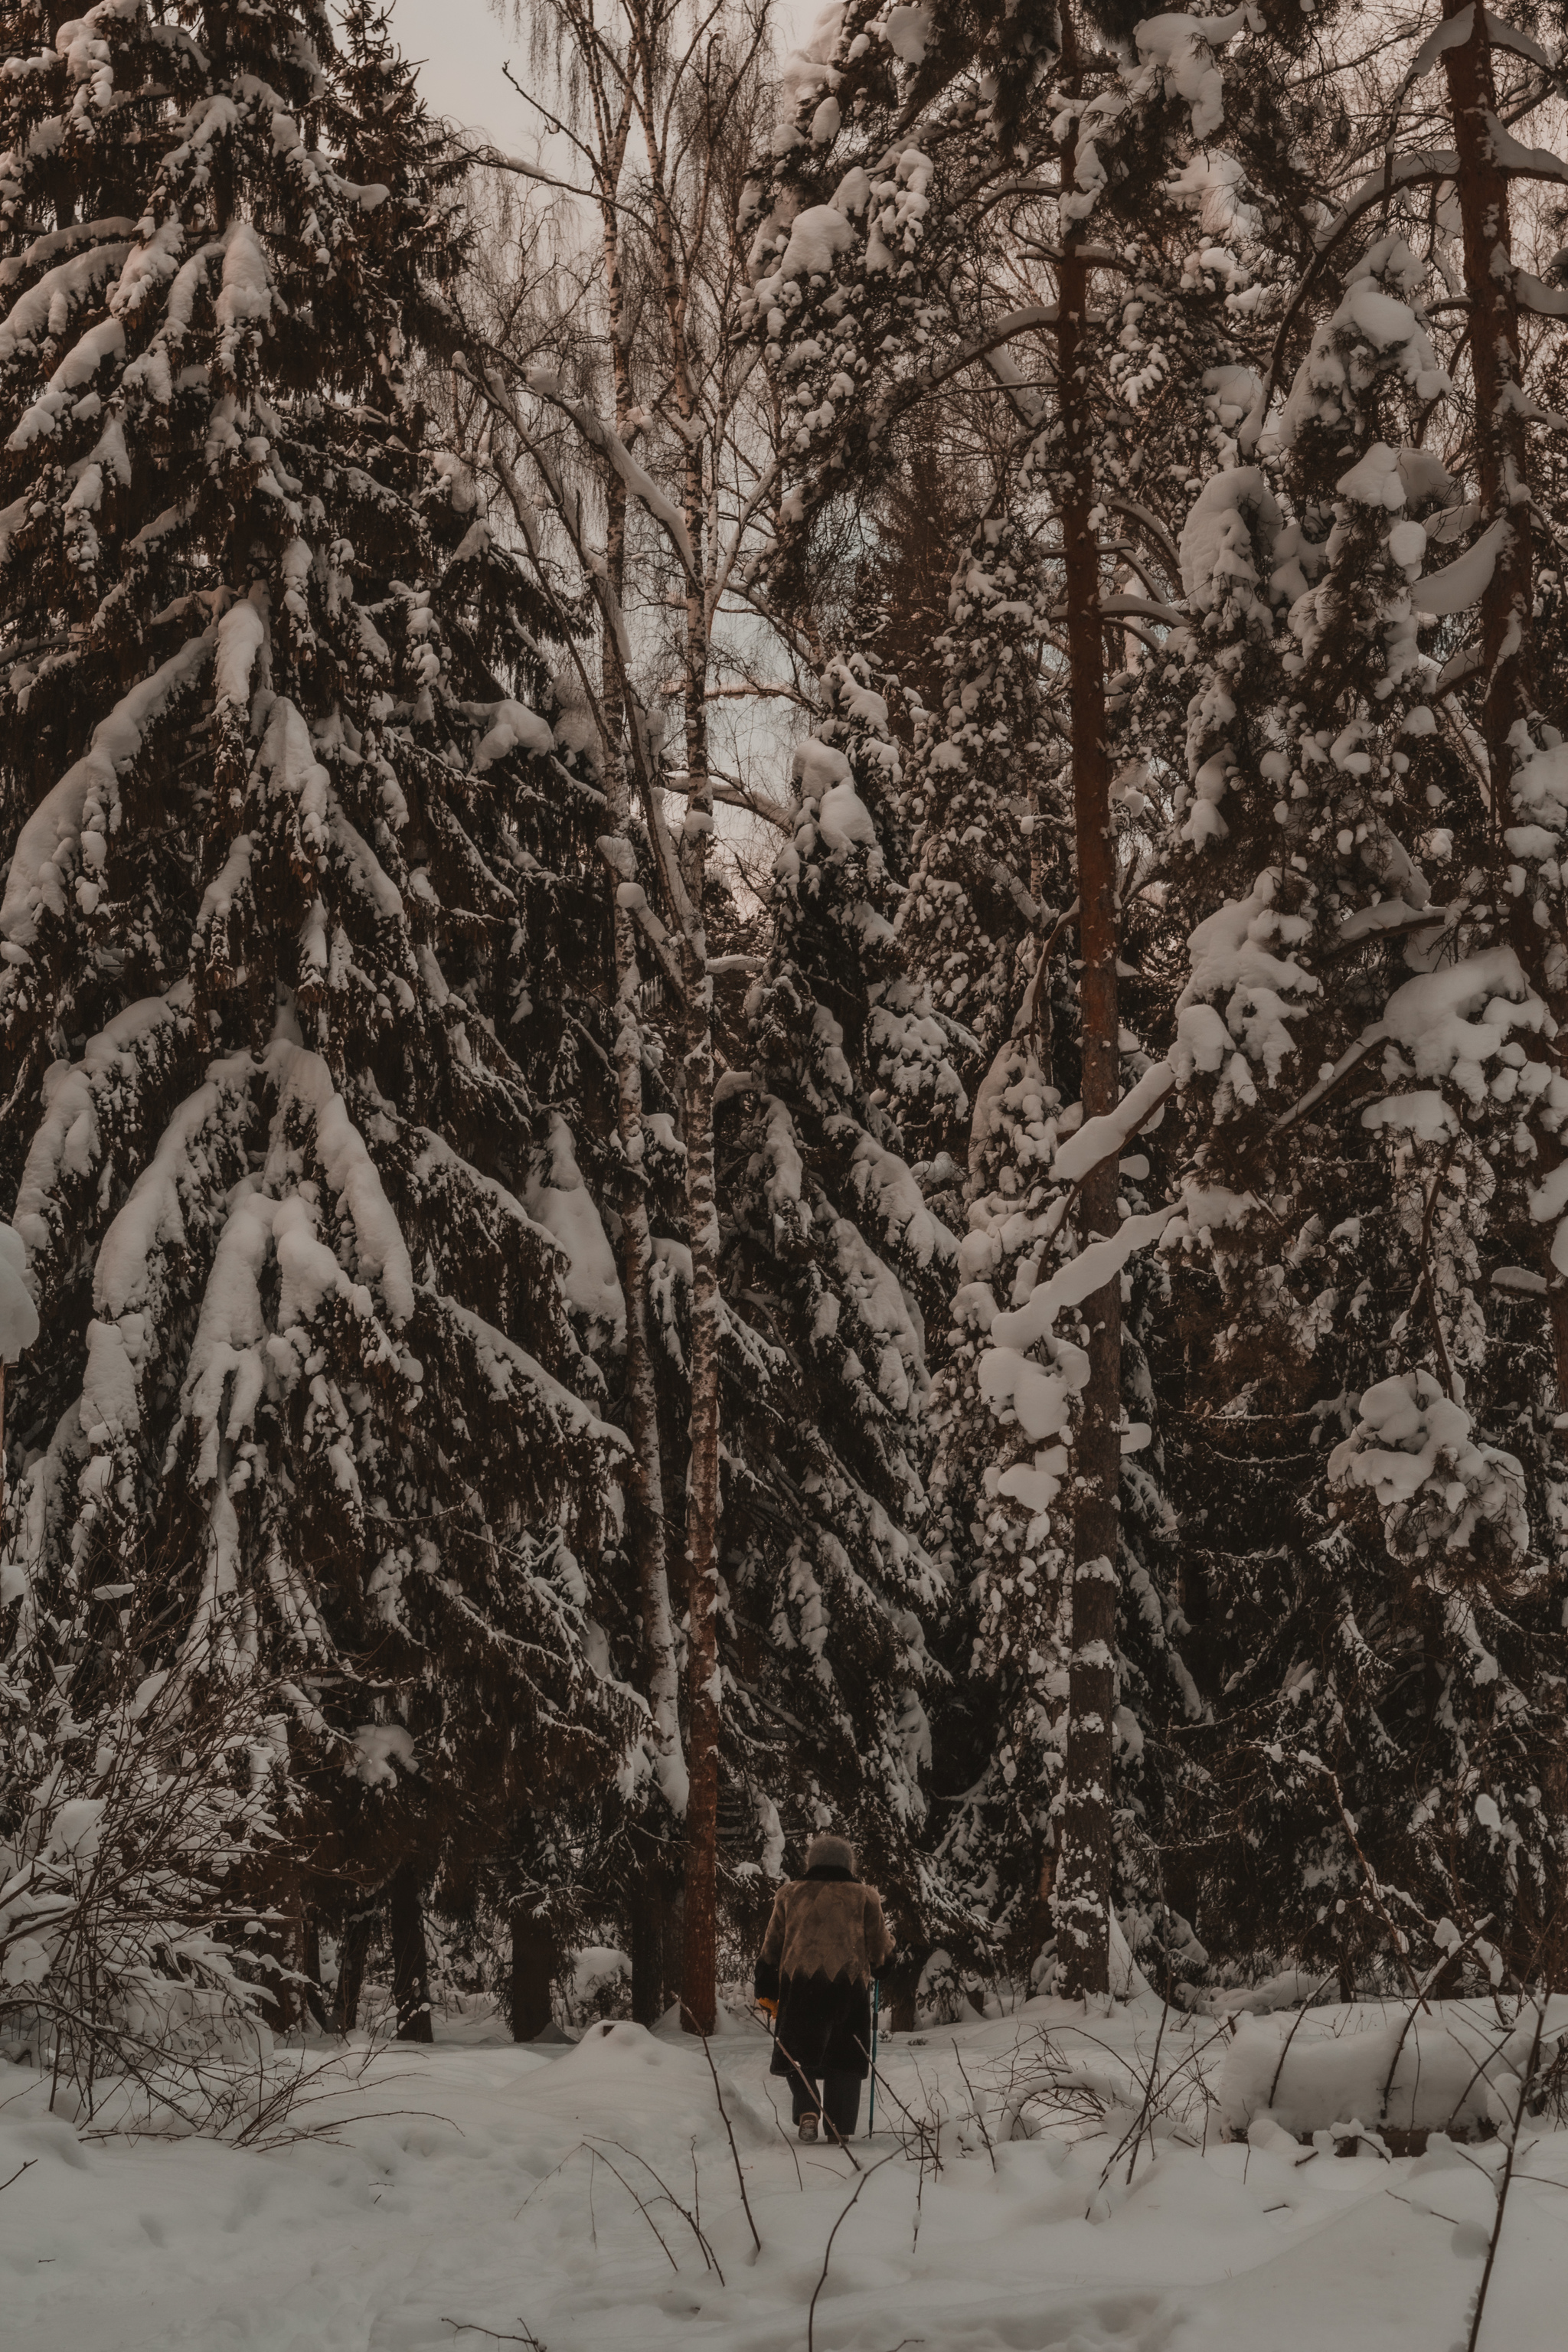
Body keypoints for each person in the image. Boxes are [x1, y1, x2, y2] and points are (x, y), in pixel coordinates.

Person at [754, 1831, 895, 2141]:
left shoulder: (789, 1894)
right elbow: (880, 1948)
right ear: (848, 1864)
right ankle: (840, 2127)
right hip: (848, 1988)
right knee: (844, 2054)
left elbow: (771, 1946)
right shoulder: (865, 1896)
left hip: (800, 1986)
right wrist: (884, 1964)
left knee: (796, 2051)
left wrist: (765, 1982)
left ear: (812, 1861)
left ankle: (808, 2108)